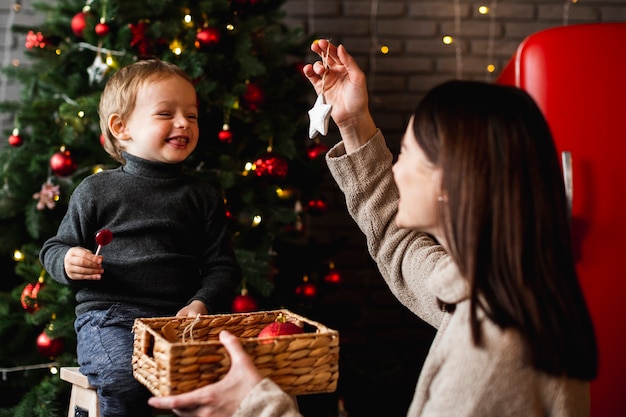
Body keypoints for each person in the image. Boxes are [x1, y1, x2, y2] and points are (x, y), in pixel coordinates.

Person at [148, 39, 598, 417]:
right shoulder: (487, 291)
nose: (397, 170)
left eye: (406, 154)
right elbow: (397, 242)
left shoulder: (493, 347)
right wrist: (353, 122)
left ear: (452, 183)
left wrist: (256, 404)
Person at [39, 59, 241, 417]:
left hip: (178, 322)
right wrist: (68, 259)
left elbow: (221, 267)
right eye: (166, 113)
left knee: (230, 377)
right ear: (121, 127)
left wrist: (201, 304)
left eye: (191, 116)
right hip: (109, 318)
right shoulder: (97, 190)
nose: (183, 123)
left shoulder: (201, 196)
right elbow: (54, 248)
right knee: (124, 377)